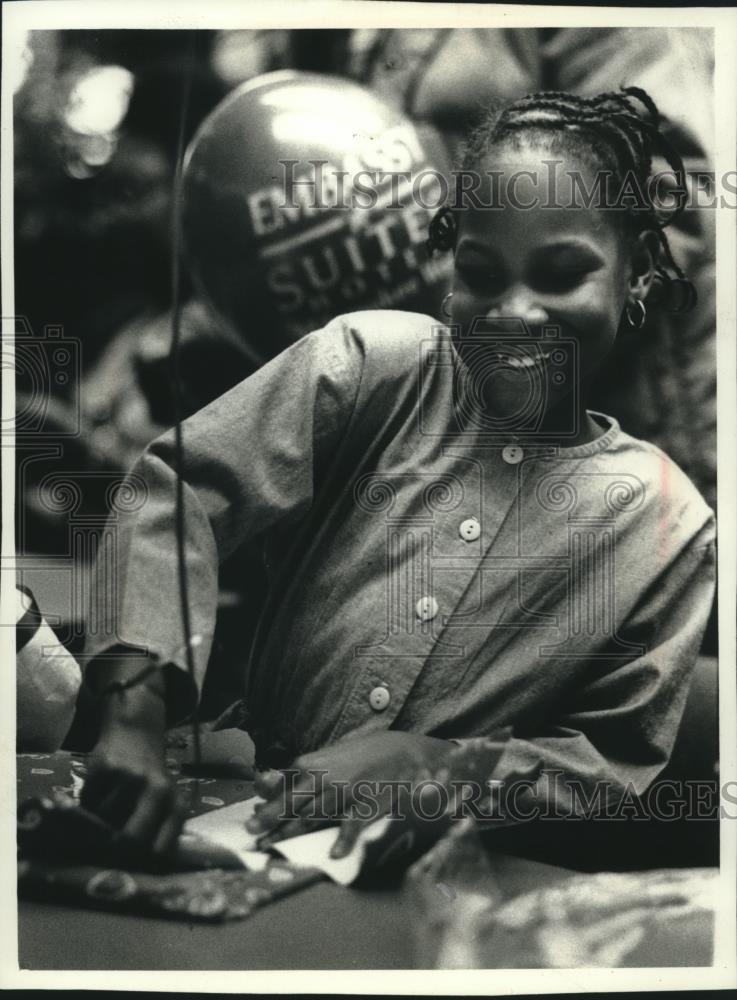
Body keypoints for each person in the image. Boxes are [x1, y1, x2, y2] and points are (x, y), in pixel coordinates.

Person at [80, 87, 715, 865]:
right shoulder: (370, 366)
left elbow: (608, 764)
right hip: (240, 821)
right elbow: (176, 490)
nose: (515, 313)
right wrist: (134, 710)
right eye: (480, 273)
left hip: (427, 887)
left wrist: (441, 770)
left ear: (638, 281)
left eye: (560, 274)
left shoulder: (663, 519)